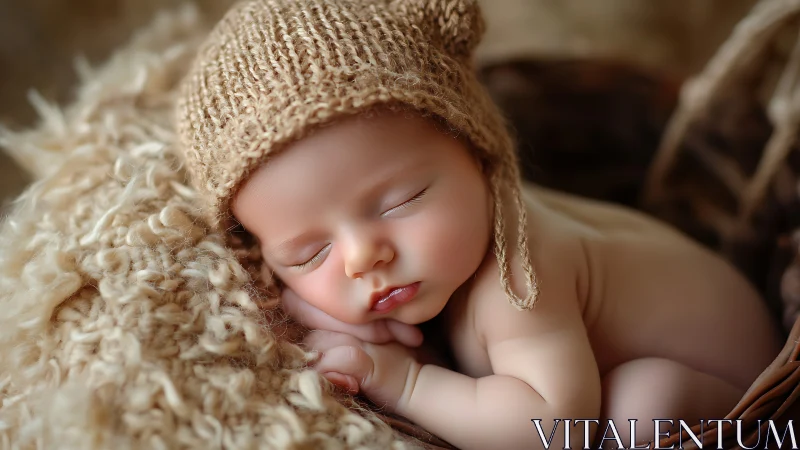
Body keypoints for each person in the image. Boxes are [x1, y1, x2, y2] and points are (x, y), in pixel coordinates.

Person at [175, 0, 784, 448]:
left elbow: (553, 430)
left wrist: (404, 381)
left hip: (742, 390)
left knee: (641, 405)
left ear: (477, 150)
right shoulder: (449, 238)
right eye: (308, 254)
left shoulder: (518, 278)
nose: (364, 257)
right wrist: (317, 310)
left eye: (400, 201)